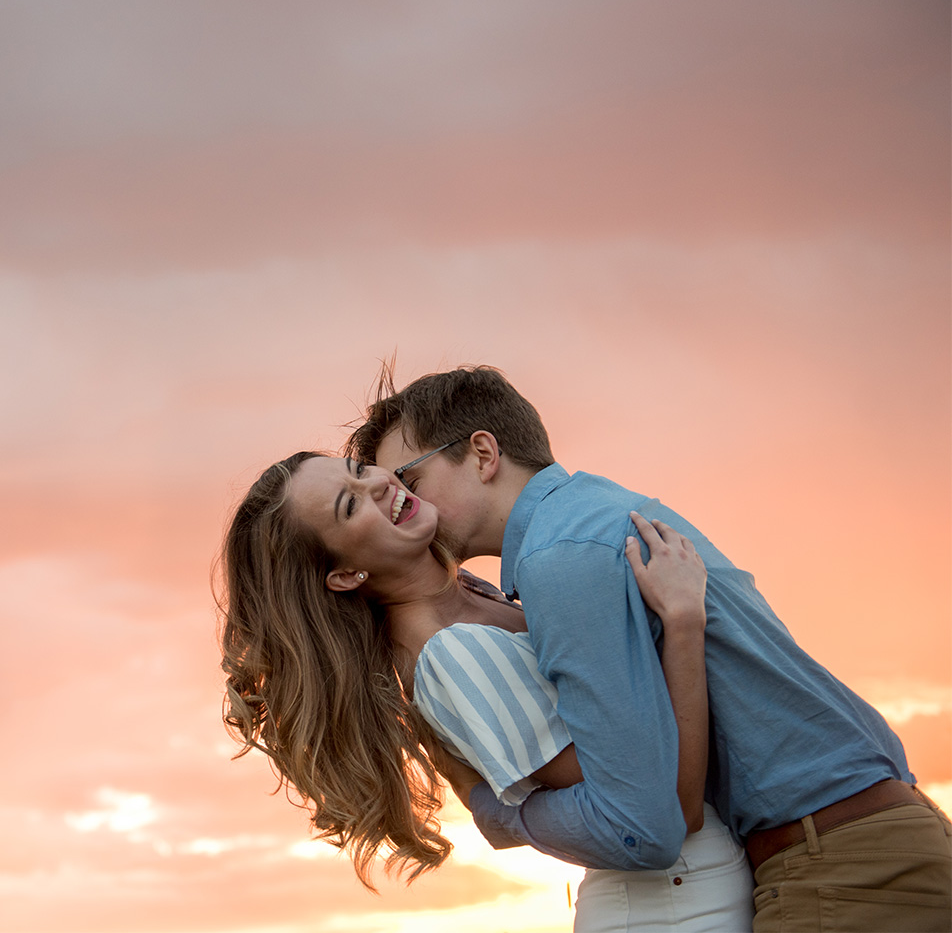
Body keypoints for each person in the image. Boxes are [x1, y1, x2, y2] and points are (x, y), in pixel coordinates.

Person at [347, 364, 952, 933]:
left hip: (842, 869)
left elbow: (644, 820)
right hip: (869, 837)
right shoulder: (600, 514)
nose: (404, 502)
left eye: (408, 478)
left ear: (482, 454)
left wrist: (496, 811)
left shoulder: (559, 559)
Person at [218, 451, 755, 930]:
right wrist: (684, 622)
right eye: (350, 506)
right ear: (345, 574)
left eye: (361, 471)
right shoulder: (453, 656)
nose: (378, 485)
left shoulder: (474, 593)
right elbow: (663, 811)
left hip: (697, 887)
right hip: (678, 907)